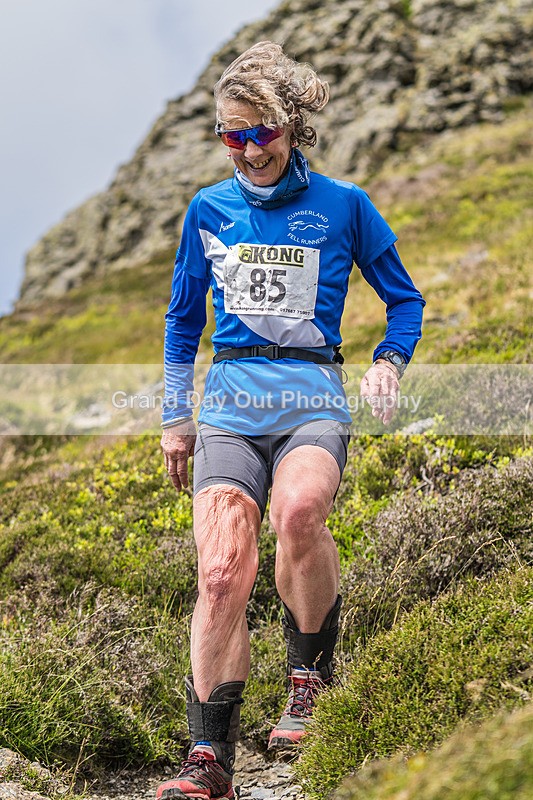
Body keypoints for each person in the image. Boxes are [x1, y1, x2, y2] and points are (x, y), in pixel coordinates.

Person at [157, 41, 425, 800]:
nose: (245, 150)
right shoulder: (207, 210)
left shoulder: (344, 204)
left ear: (291, 126)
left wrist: (386, 361)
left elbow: (403, 300)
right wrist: (176, 418)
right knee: (218, 574)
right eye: (228, 135)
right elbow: (182, 321)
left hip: (310, 389)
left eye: (259, 132)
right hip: (231, 401)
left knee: (300, 511)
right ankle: (208, 760)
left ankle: (309, 677)